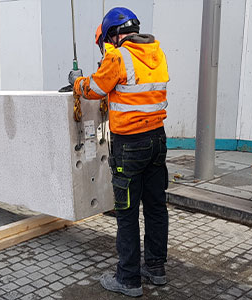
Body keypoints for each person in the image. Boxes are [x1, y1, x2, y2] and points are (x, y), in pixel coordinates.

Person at [68, 7, 169, 298]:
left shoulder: (117, 57)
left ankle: (128, 279)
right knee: (155, 207)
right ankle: (156, 268)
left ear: (113, 34)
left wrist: (77, 79)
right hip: (157, 140)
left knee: (126, 213)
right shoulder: (157, 52)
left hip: (130, 146)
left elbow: (94, 90)